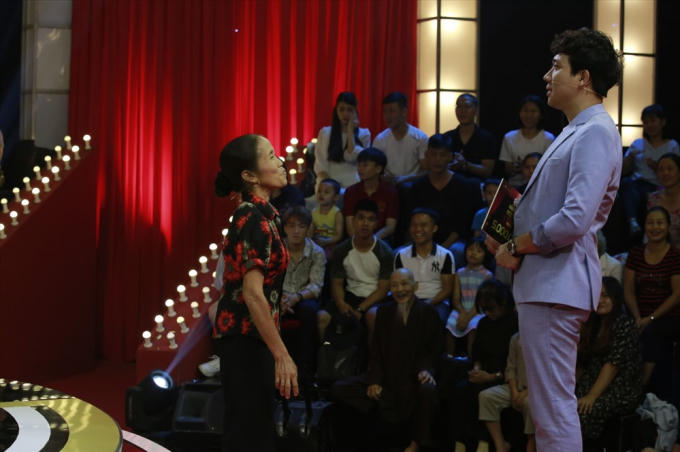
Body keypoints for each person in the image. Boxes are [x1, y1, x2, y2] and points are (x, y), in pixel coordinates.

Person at [490, 28, 623, 450]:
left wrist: (518, 244)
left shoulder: (595, 130)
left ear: (583, 77)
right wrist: (508, 235)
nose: (547, 76)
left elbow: (574, 218)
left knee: (552, 408)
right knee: (550, 408)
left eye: (556, 67)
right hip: (548, 282)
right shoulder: (576, 129)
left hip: (556, 282)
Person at [212, 134, 298, 451]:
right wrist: (282, 354)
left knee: (253, 430)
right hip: (244, 341)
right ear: (249, 176)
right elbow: (252, 294)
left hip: (252, 338)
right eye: (271, 156)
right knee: (249, 434)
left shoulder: (265, 216)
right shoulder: (251, 218)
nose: (281, 161)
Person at [331, 268, 442, 452]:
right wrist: (375, 380)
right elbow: (376, 351)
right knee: (340, 388)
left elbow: (435, 350)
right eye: (394, 286)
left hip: (414, 377)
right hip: (388, 378)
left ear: (415, 286)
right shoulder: (384, 312)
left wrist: (426, 370)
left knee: (427, 390)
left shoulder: (429, 312)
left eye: (404, 284)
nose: (400, 289)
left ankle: (416, 443)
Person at [446, 278, 518, 452]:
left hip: (505, 375)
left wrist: (492, 376)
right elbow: (478, 353)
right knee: (460, 389)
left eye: (491, 309)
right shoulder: (484, 322)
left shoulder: (515, 323)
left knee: (481, 392)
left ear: (503, 303)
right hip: (484, 371)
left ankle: (483, 442)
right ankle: (461, 441)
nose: (488, 313)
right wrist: (477, 369)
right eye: (484, 310)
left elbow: (515, 363)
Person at [576, 277, 643, 448]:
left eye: (605, 296)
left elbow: (612, 366)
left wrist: (592, 396)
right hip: (593, 382)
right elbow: (583, 363)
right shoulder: (593, 324)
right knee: (564, 407)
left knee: (585, 411)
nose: (599, 300)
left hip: (620, 388)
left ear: (615, 298)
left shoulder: (624, 325)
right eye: (596, 295)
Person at [317, 199, 394, 340]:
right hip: (350, 295)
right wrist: (341, 304)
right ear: (353, 221)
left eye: (370, 219)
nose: (365, 223)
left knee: (372, 316)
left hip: (374, 299)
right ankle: (326, 353)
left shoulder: (385, 252)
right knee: (322, 317)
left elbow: (383, 289)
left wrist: (360, 308)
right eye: (361, 218)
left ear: (376, 224)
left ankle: (373, 354)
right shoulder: (341, 250)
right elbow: (337, 283)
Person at [623, 206, 680, 388]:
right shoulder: (635, 254)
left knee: (652, 332)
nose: (655, 227)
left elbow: (677, 295)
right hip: (639, 315)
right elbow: (628, 290)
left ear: (668, 226)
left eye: (660, 223)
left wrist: (650, 318)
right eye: (650, 223)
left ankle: (640, 387)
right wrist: (638, 317)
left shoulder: (675, 256)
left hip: (668, 317)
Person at [406, 133, 484, 265]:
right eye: (433, 154)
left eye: (442, 155)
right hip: (422, 239)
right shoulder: (418, 186)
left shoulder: (464, 185)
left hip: (454, 241)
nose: (437, 160)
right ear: (426, 155)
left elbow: (461, 225)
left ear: (450, 157)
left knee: (456, 252)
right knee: (400, 252)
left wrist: (441, 249)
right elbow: (412, 220)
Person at [280, 206, 326, 379]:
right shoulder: (276, 249)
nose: (296, 231)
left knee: (309, 311)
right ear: (285, 228)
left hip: (302, 297)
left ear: (308, 228)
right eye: (291, 226)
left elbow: (316, 286)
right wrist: (280, 299)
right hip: (280, 296)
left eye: (301, 226)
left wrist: (296, 297)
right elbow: (269, 280)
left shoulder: (316, 252)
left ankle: (305, 371)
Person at [621, 105, 680, 236]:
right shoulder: (637, 144)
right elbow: (623, 171)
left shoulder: (672, 145)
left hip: (659, 186)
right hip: (637, 185)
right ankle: (633, 222)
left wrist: (657, 167)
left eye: (653, 121)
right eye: (646, 122)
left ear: (662, 122)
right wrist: (630, 157)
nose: (649, 125)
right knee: (626, 183)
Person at [395, 208, 456, 324]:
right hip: (408, 301)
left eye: (423, 225)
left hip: (437, 302)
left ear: (434, 228)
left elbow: (447, 290)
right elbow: (399, 286)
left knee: (432, 318)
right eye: (414, 225)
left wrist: (425, 304)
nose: (418, 229)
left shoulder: (445, 255)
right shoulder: (401, 255)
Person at [478, 332, 535, 452]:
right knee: (486, 396)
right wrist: (514, 392)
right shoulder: (516, 337)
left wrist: (528, 391)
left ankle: (532, 444)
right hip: (516, 387)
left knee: (529, 404)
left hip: (536, 390)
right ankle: (501, 446)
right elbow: (510, 368)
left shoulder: (544, 338)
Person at [446, 237, 493, 357]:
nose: (473, 253)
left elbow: (482, 301)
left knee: (473, 327)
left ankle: (471, 359)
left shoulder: (487, 275)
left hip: (477, 310)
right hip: (461, 308)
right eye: (470, 249)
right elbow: (456, 299)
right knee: (450, 324)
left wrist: (467, 317)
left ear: (485, 255)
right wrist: (462, 312)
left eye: (478, 251)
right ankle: (449, 357)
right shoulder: (459, 273)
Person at [313, 91, 371, 188]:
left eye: (349, 110)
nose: (345, 114)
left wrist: (350, 132)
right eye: (342, 109)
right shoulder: (325, 133)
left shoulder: (364, 134)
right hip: (328, 183)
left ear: (355, 112)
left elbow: (355, 158)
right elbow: (320, 165)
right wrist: (331, 186)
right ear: (336, 111)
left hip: (354, 184)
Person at [499, 95, 555, 188]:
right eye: (525, 111)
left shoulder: (548, 138)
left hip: (540, 186)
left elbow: (550, 168)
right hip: (515, 186)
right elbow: (507, 169)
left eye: (533, 111)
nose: (529, 115)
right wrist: (519, 168)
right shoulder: (509, 137)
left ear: (541, 115)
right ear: (520, 113)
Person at [343, 148, 399, 241]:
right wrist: (359, 241)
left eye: (365, 165)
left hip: (380, 240)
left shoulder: (390, 192)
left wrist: (371, 241)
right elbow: (350, 225)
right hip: (355, 240)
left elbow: (390, 226)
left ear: (378, 169)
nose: (360, 169)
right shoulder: (351, 191)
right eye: (359, 165)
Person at [372, 92, 429, 183]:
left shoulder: (420, 138)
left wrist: (404, 179)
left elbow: (425, 171)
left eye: (391, 111)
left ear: (404, 112)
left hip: (414, 185)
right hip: (389, 186)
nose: (387, 116)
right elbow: (375, 170)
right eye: (385, 112)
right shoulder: (380, 139)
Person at [443, 93, 498, 180]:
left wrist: (465, 164)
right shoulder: (447, 137)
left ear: (476, 111)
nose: (462, 111)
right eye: (459, 107)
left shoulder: (487, 138)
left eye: (467, 107)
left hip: (478, 185)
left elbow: (487, 171)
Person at [647, 153, 680, 248]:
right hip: (660, 250)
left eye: (670, 169)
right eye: (661, 170)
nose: (665, 173)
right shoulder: (653, 199)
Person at [309, 178, 344, 258]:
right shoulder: (313, 212)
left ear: (336, 197)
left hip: (331, 244)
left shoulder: (336, 213)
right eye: (319, 191)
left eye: (326, 192)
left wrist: (327, 241)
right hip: (317, 242)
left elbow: (339, 235)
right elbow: (310, 232)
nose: (321, 194)